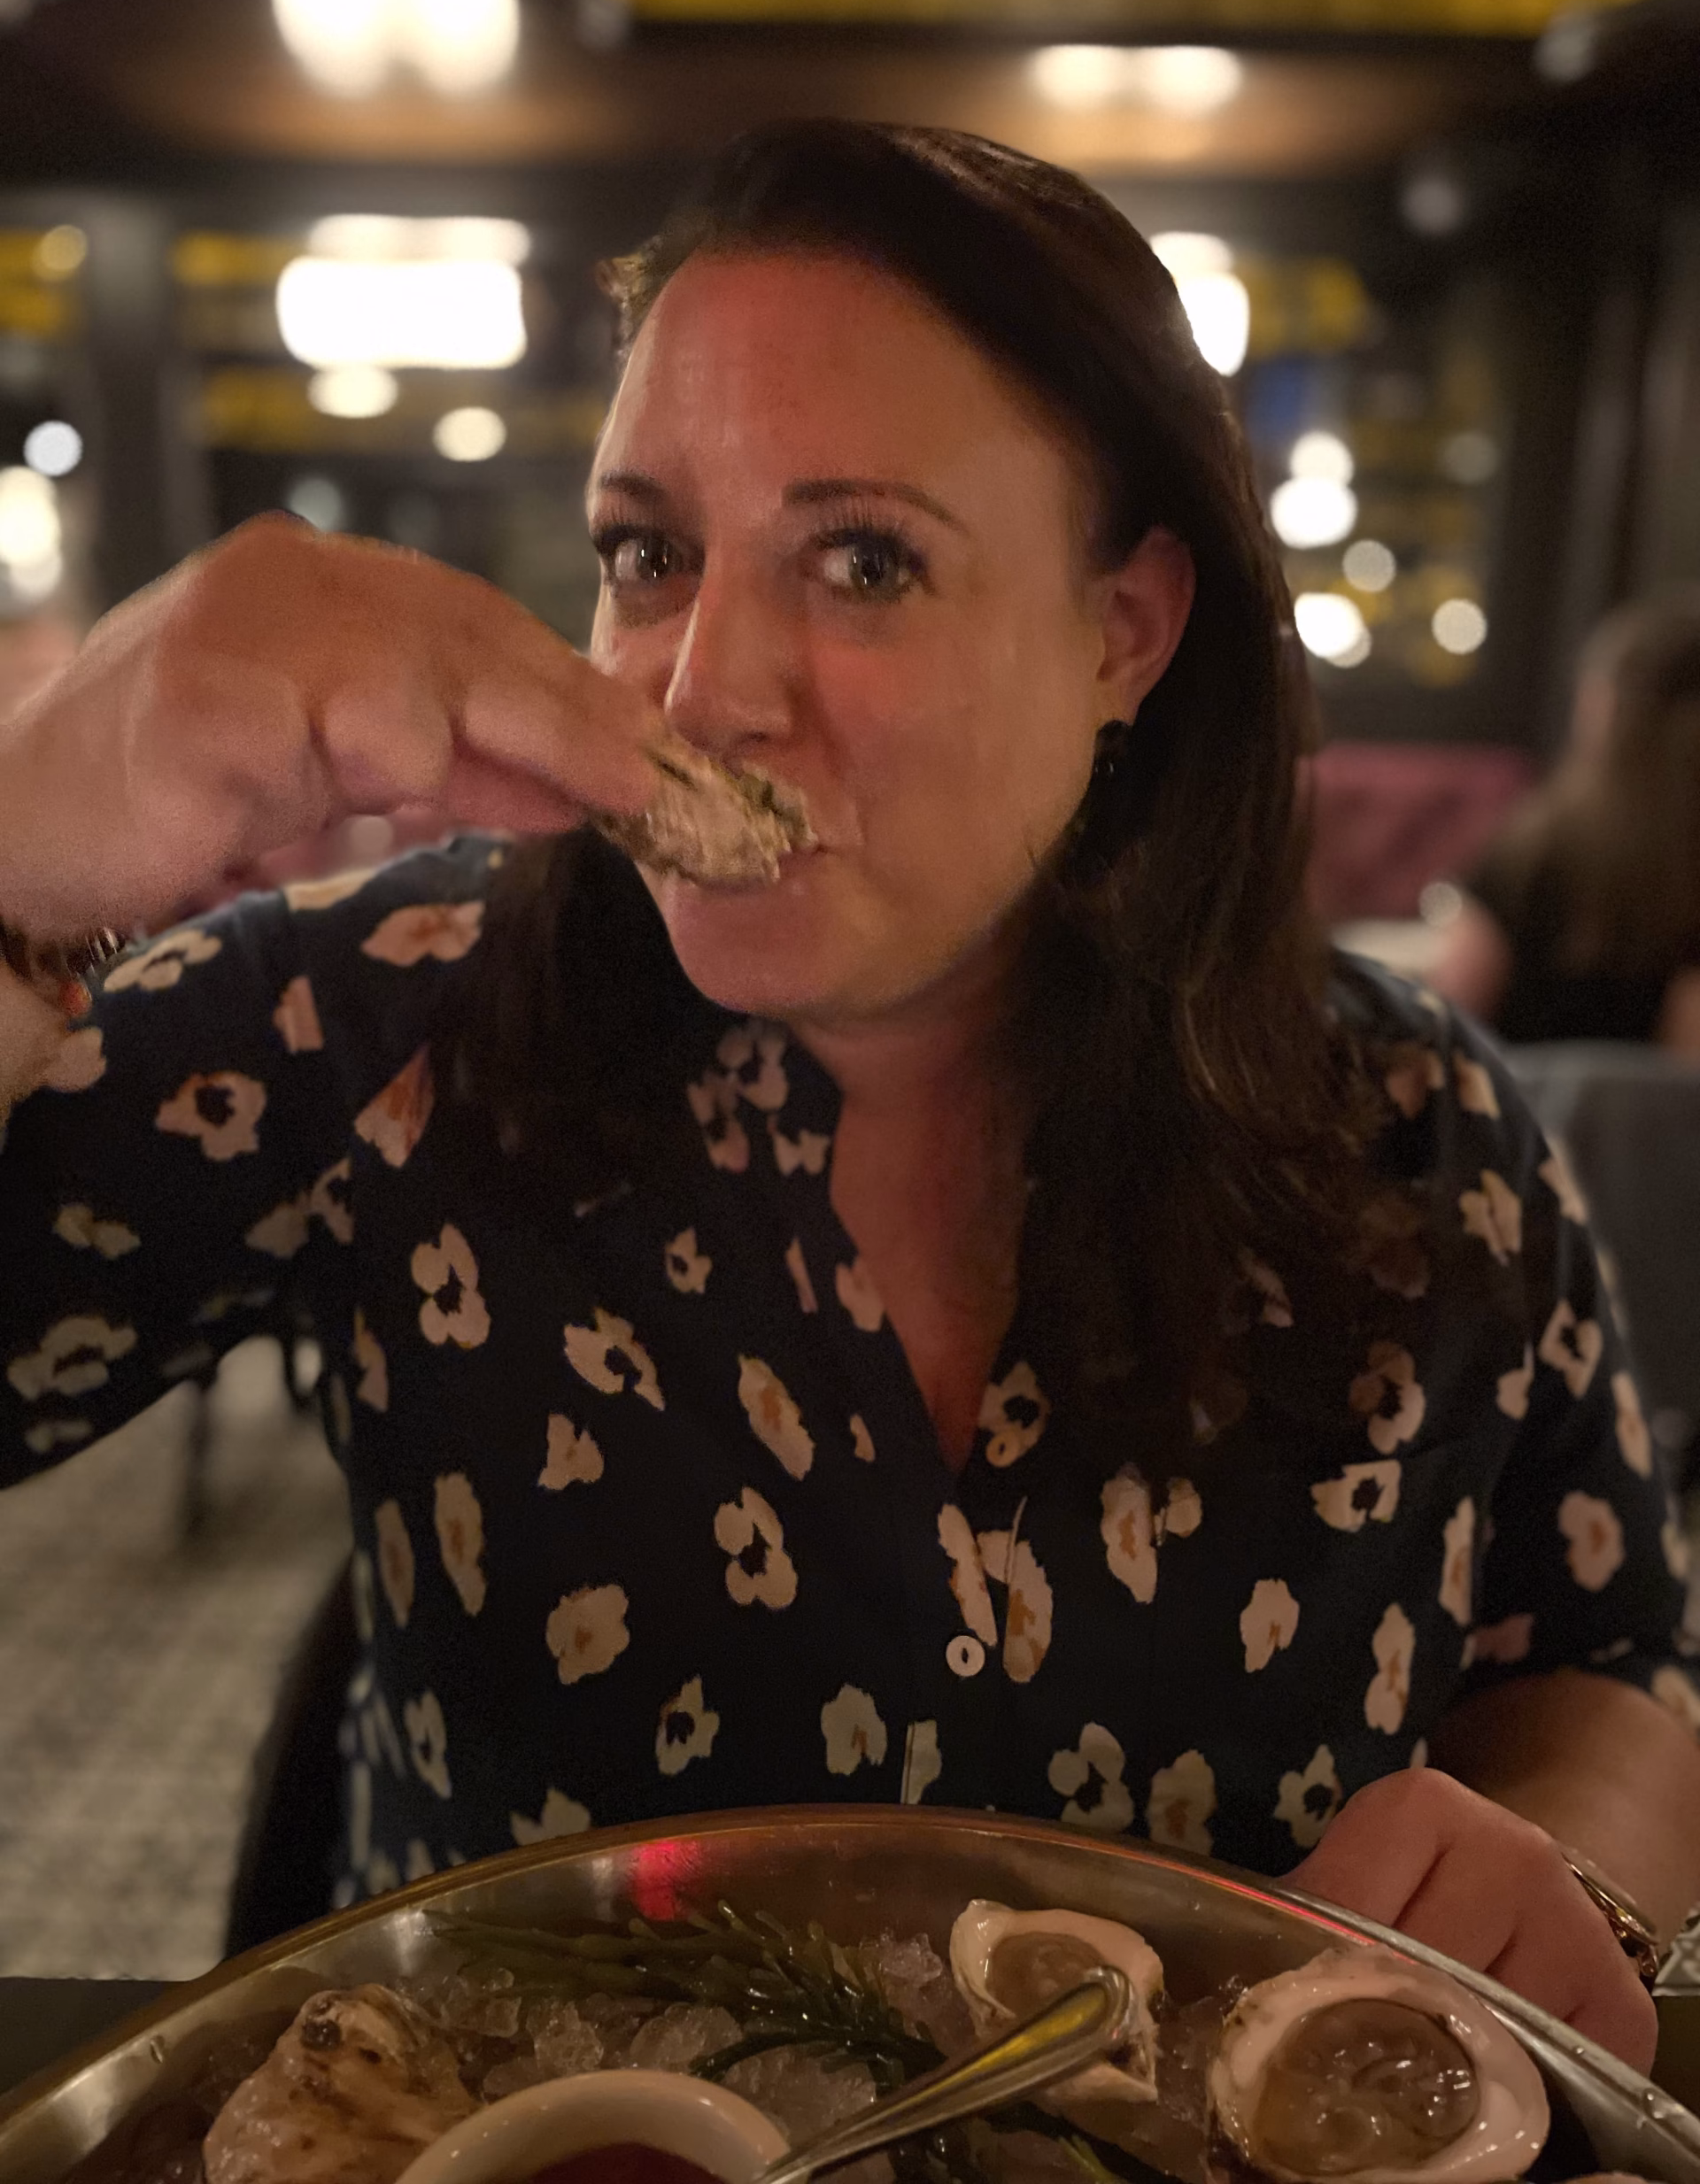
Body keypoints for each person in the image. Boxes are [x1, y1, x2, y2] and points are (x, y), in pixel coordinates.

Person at [0, 121, 1694, 2071]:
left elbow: (1611, 1661)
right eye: (650, 554)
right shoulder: (389, 1015)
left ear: (1125, 630)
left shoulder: (1414, 1128)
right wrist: (21, 860)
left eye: (866, 560)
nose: (701, 686)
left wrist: (1559, 1862)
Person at [1430, 590, 1700, 1049]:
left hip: (1509, 1091)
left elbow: (1446, 1022)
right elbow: (1686, 1068)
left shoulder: (1533, 850)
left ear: (1603, 707)